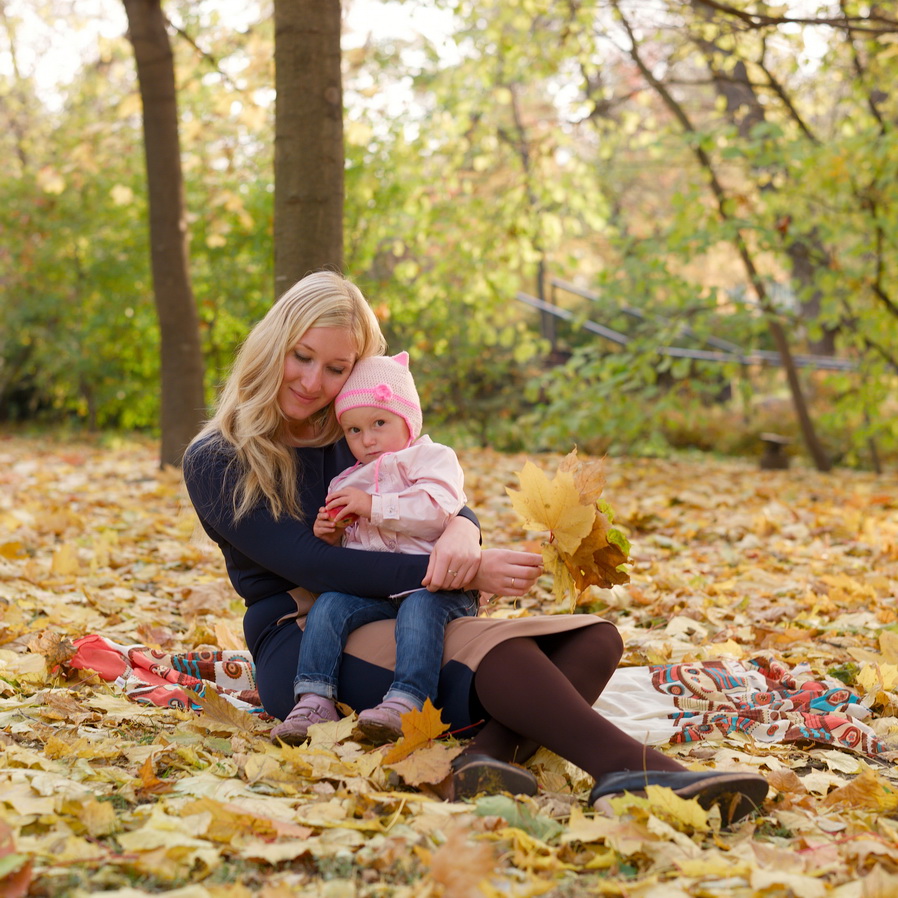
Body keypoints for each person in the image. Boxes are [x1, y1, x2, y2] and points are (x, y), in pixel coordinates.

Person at [183, 270, 768, 823]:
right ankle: (637, 772)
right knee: (504, 655)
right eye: (301, 357)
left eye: (336, 369)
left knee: (593, 641)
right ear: (272, 345)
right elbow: (312, 562)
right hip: (309, 640)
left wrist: (465, 527)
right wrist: (464, 572)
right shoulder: (218, 458)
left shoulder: (356, 430)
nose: (313, 383)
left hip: (399, 604)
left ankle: (482, 762)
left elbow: (430, 498)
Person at [270, 351, 479, 745]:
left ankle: (407, 701)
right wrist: (332, 534)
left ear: (408, 420)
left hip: (438, 586)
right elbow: (350, 551)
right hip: (378, 592)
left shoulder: (433, 458)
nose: (367, 440)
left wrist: (373, 506)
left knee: (418, 610)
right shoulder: (348, 481)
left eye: (379, 423)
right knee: (330, 603)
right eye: (353, 430)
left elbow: (437, 510)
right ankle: (314, 698)